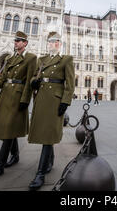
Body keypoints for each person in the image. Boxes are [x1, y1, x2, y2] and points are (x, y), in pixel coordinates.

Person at [0, 31, 37, 181]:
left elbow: (30, 80)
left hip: (18, 97)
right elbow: (4, 77)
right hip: (6, 96)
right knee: (8, 127)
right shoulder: (9, 58)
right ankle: (15, 155)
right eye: (15, 40)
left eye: (19, 41)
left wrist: (25, 99)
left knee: (8, 129)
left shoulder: (31, 58)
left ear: (25, 43)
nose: (16, 43)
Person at [28, 31, 75, 191]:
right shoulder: (42, 60)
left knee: (48, 135)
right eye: (49, 41)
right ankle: (50, 160)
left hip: (55, 101)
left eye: (54, 41)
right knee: (44, 133)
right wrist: (34, 82)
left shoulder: (66, 60)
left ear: (59, 44)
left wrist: (65, 101)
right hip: (41, 99)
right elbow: (34, 76)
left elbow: (70, 83)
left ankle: (40, 174)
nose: (51, 44)